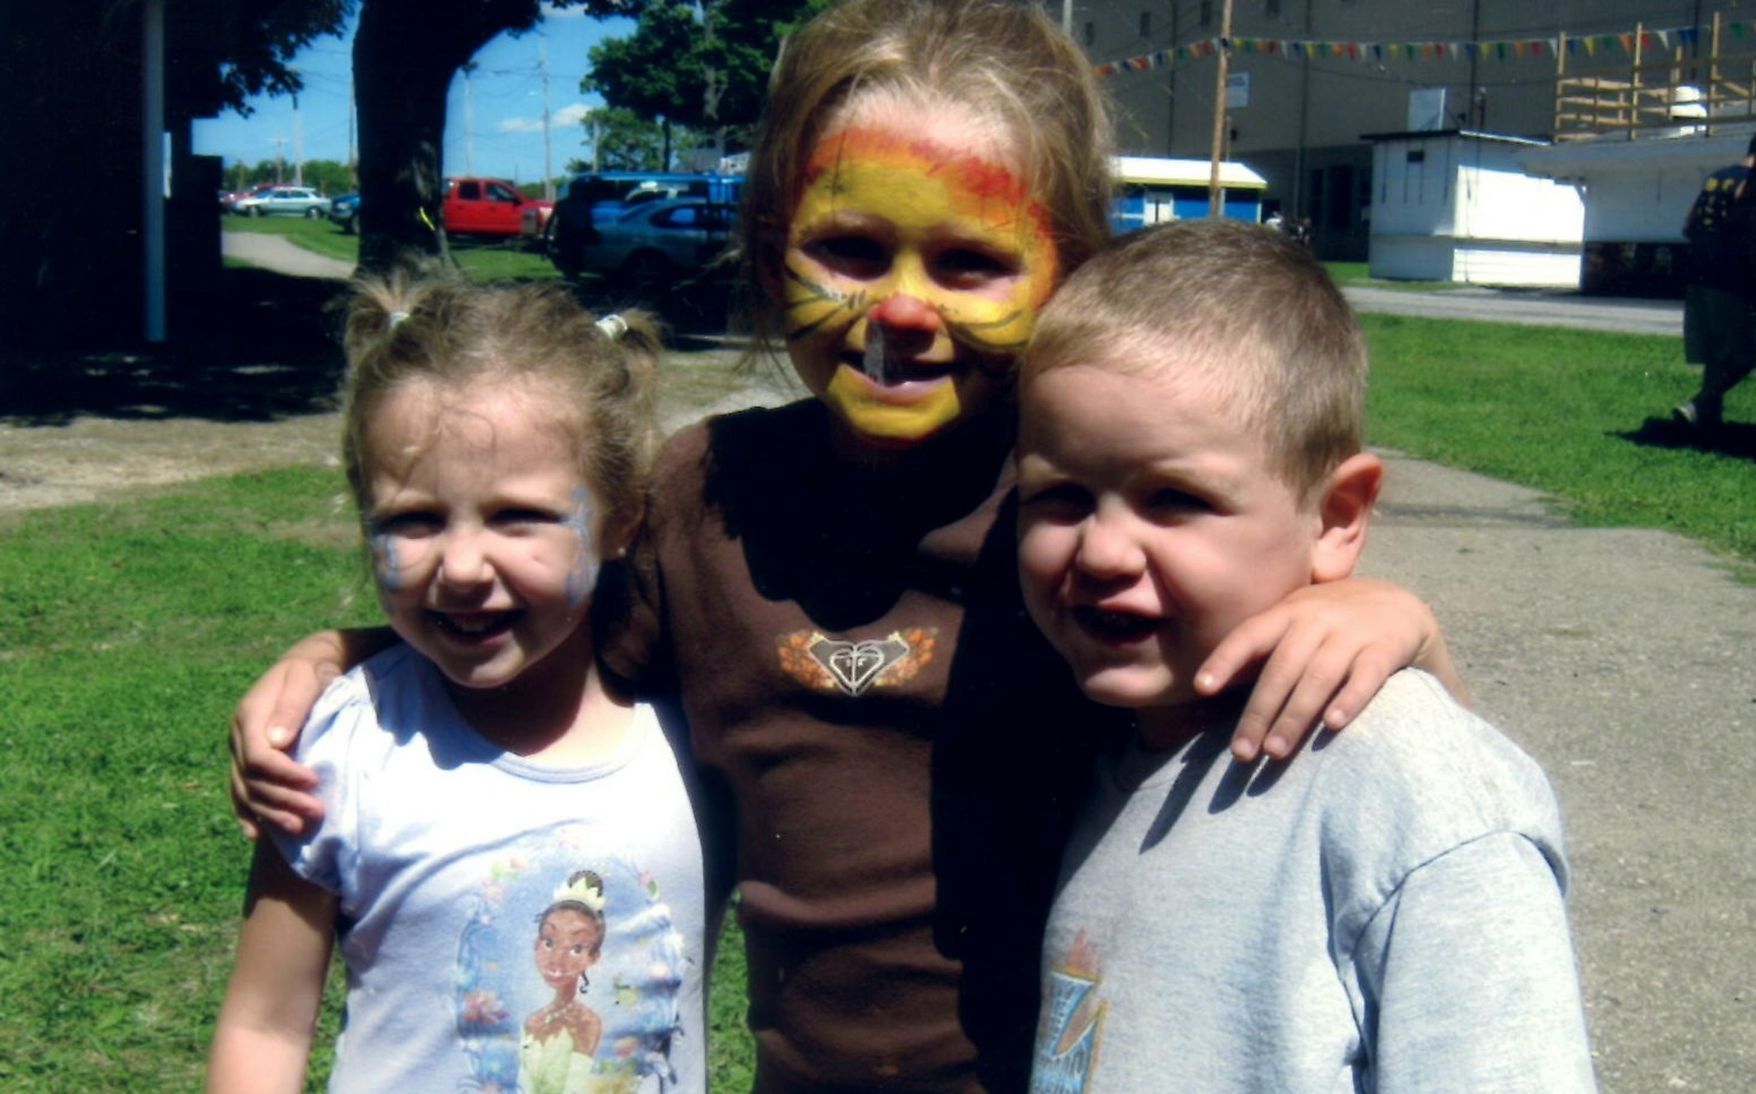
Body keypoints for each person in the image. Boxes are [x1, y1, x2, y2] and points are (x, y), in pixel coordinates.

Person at [229, 3, 1464, 1089]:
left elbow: (1359, 753)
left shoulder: (1088, 529)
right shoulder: (700, 498)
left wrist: (1393, 617)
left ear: (1068, 269)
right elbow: (528, 621)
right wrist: (347, 650)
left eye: (973, 261)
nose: (902, 313)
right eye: (853, 251)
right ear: (772, 246)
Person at [1016, 220, 1595, 1092]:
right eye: (1060, 495)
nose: (1101, 551)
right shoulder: (1104, 742)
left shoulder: (1410, 792)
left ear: (1336, 518)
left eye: (1173, 498)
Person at [207, 272, 705, 1093]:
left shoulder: (699, 727)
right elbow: (263, 1025)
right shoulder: (337, 748)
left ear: (622, 519)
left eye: (519, 516)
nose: (464, 569)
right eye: (414, 519)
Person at [1674, 134, 1756, 432]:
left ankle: (1707, 419)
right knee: (1744, 353)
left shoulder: (1716, 178)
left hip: (1699, 275)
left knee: (1716, 353)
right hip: (1731, 278)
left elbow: (1688, 225)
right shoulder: (1749, 183)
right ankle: (1699, 403)